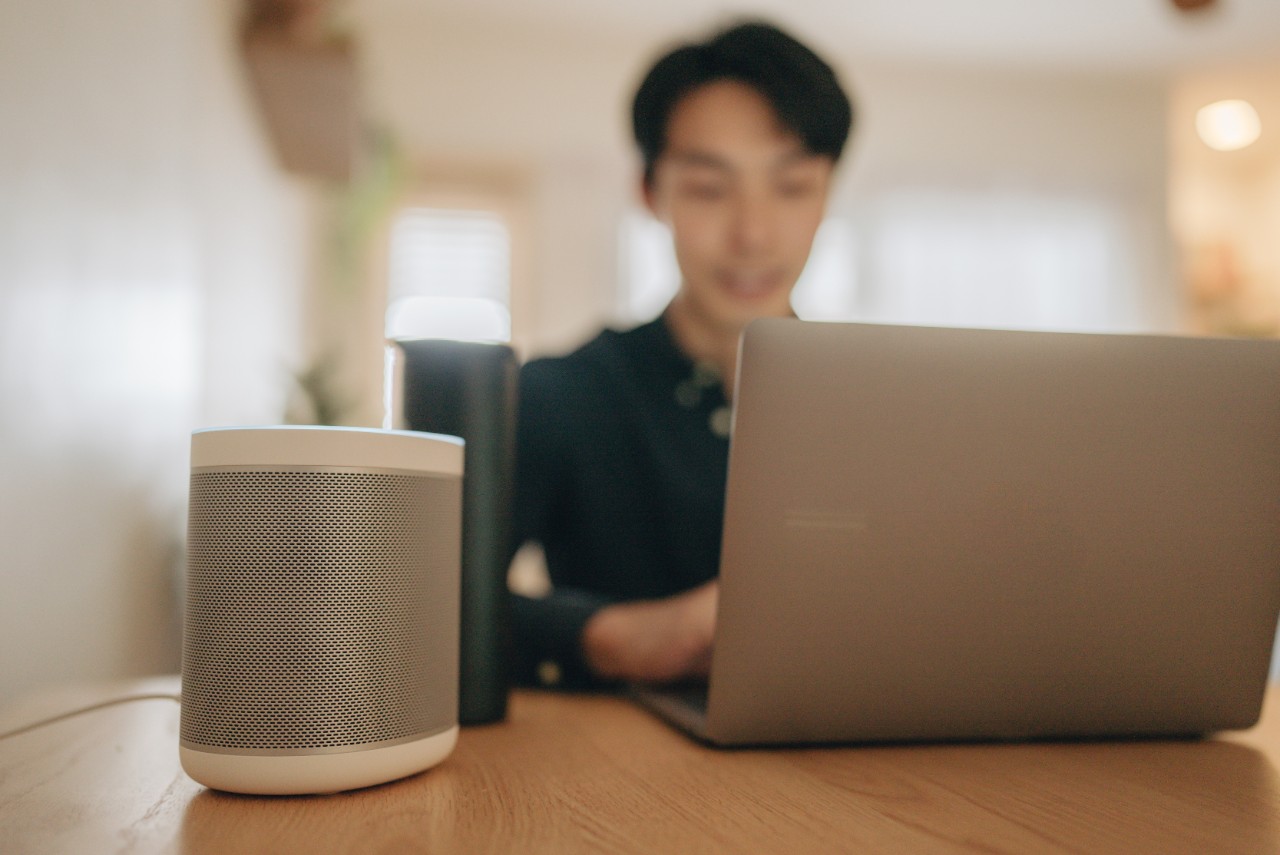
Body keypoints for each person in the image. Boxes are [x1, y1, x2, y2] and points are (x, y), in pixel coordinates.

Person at [510, 20, 855, 689]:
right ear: (649, 193)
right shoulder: (563, 393)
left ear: (827, 193)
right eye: (707, 188)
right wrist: (609, 635)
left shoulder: (879, 407)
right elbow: (421, 598)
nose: (753, 234)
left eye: (792, 187)